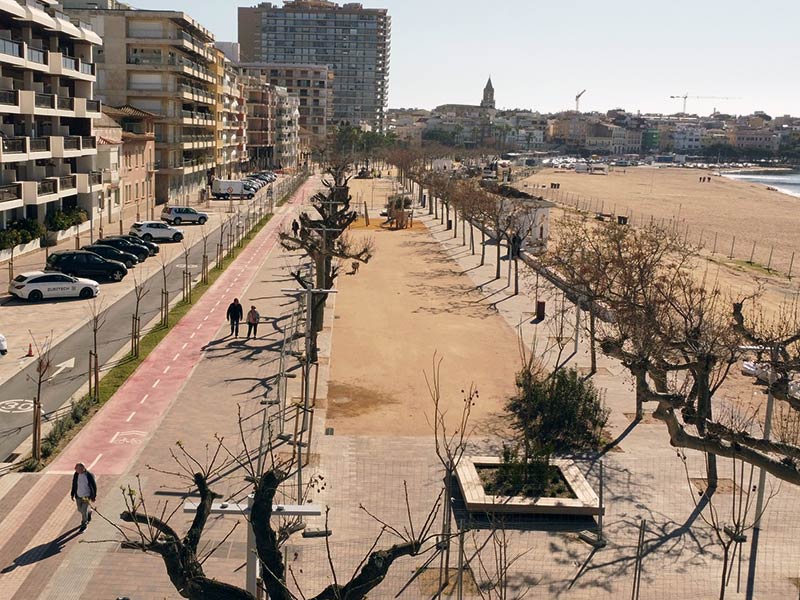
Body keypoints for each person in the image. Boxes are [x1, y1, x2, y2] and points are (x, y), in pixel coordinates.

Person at [70, 462, 97, 532]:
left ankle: (84, 525)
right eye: (76, 468)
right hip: (78, 496)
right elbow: (74, 484)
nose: (76, 470)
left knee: (83, 511)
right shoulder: (76, 475)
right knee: (80, 510)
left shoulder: (89, 475)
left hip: (86, 496)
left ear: (83, 469)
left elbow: (94, 486)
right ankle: (89, 513)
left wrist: (94, 496)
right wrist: (72, 494)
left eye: (77, 468)